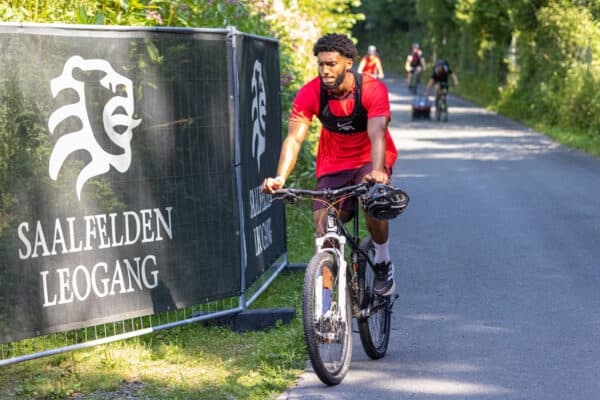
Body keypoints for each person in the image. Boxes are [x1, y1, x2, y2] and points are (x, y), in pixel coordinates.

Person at [262, 33, 398, 296]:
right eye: (321, 64)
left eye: (331, 64)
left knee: (373, 200)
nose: (325, 70)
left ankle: (383, 260)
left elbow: (378, 132)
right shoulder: (310, 93)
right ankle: (324, 305)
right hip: (333, 163)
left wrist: (378, 170)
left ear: (348, 63)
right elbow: (294, 138)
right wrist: (280, 178)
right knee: (324, 223)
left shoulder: (371, 89)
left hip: (370, 159)